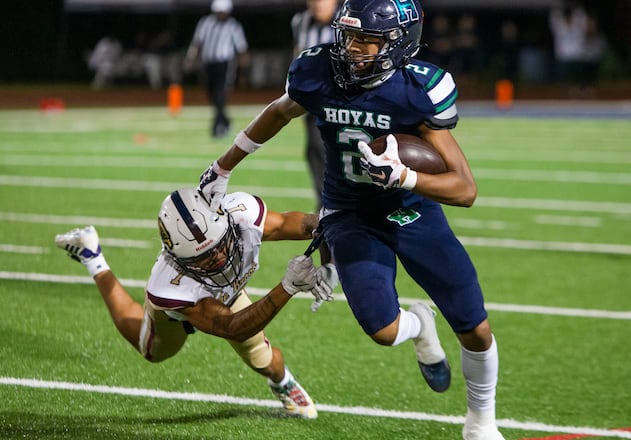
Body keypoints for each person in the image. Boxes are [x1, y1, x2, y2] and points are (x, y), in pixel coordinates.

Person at [196, 0, 504, 438]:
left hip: (411, 209)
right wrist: (224, 166)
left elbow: (465, 189)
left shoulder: (416, 89)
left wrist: (406, 176)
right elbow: (279, 112)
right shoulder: (318, 72)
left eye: (366, 39)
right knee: (382, 329)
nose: (352, 48)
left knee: (474, 326)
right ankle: (420, 325)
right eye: (348, 36)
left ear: (399, 44)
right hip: (348, 211)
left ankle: (481, 421)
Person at [54, 188, 338, 420]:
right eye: (204, 258)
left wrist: (330, 263)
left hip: (227, 292)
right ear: (178, 258)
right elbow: (232, 327)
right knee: (151, 350)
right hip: (188, 307)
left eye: (219, 246)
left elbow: (314, 225)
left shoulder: (242, 214)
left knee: (262, 358)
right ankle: (94, 257)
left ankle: (282, 381)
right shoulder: (170, 284)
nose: (218, 259)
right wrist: (288, 287)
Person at [290, 0, 340, 211]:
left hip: (344, 98)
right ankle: (325, 203)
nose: (318, 4)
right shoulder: (300, 21)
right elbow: (298, 51)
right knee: (315, 149)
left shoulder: (348, 19)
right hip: (314, 98)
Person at [184, 0, 250, 138]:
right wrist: (190, 59)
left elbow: (241, 48)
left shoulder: (233, 26)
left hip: (224, 64)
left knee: (220, 94)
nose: (220, 15)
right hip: (208, 63)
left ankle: (217, 126)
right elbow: (197, 43)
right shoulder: (206, 23)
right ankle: (226, 121)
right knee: (212, 95)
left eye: (222, 12)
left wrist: (243, 71)